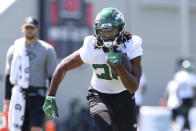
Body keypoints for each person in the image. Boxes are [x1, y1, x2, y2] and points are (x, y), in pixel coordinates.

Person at [43, 7, 143, 131]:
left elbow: (133, 87)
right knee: (105, 128)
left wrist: (118, 66)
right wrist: (50, 96)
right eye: (103, 32)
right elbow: (63, 66)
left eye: (111, 31)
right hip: (100, 95)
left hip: (125, 96)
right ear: (97, 31)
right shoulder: (91, 47)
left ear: (120, 30)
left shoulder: (131, 46)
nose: (107, 36)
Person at [3, 17, 57, 131]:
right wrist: (6, 102)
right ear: (23, 29)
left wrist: (51, 99)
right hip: (18, 96)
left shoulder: (47, 49)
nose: (29, 30)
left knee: (35, 128)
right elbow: (9, 77)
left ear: (37, 29)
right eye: (27, 27)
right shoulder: (15, 49)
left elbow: (52, 77)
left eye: (31, 28)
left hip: (38, 95)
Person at [164, 58, 196, 131]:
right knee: (185, 114)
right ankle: (186, 127)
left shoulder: (178, 75)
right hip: (188, 98)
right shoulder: (192, 77)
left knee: (183, 114)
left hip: (181, 98)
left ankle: (185, 127)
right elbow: (194, 89)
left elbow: (176, 88)